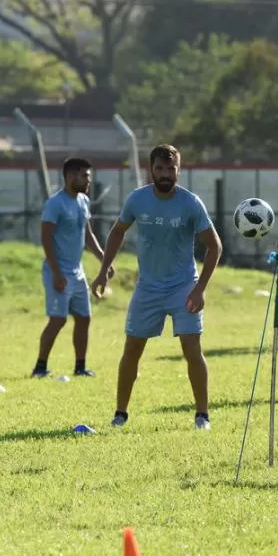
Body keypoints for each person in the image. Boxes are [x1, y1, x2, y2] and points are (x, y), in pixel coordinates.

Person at [91, 144, 223, 430]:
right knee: (132, 349)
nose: (165, 174)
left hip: (184, 287)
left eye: (171, 168)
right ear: (151, 170)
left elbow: (214, 246)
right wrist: (103, 271)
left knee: (192, 347)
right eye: (160, 168)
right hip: (148, 288)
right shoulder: (137, 200)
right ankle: (120, 414)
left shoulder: (191, 203)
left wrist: (200, 289)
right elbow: (117, 232)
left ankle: (202, 415)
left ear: (178, 169)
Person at [32, 157, 110, 378]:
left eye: (88, 176)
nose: (88, 180)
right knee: (58, 319)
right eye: (85, 176)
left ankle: (80, 367)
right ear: (70, 176)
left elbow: (88, 235)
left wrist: (104, 260)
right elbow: (46, 238)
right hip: (57, 272)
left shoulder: (83, 201)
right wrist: (56, 273)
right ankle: (39, 367)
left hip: (77, 272)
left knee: (84, 318)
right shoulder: (55, 204)